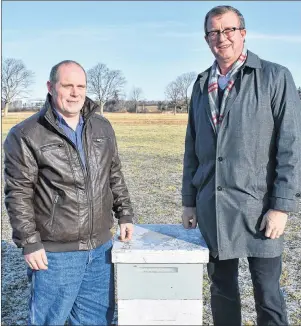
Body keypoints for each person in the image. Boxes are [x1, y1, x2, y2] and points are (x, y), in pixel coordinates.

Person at [181, 5, 301, 326]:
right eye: (214, 32)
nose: (222, 38)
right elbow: (192, 148)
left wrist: (282, 207)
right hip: (214, 208)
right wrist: (189, 202)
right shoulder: (201, 83)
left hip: (260, 208)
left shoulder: (275, 77)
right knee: (222, 291)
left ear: (243, 33)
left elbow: (291, 147)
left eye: (229, 30)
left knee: (268, 293)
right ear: (207, 39)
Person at [4, 60, 134, 326]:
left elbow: (114, 174)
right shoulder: (26, 134)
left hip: (100, 250)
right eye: (67, 86)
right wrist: (30, 242)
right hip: (56, 254)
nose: (75, 93)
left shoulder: (102, 127)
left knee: (95, 321)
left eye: (81, 86)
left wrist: (125, 213)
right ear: (51, 87)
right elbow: (18, 194)